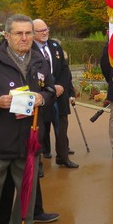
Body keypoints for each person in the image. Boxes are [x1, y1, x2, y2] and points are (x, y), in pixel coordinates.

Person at [0, 14, 56, 224]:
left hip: (29, 139)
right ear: (7, 36)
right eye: (19, 33)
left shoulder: (40, 60)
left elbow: (50, 88)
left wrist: (44, 97)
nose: (25, 38)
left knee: (26, 193)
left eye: (28, 33)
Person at [32, 19, 78, 169]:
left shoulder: (55, 46)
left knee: (61, 127)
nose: (45, 33)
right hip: (42, 95)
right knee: (40, 129)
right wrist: (50, 87)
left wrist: (61, 86)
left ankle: (63, 157)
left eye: (47, 29)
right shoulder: (29, 49)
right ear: (33, 33)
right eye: (41, 31)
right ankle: (37, 164)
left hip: (59, 95)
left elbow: (65, 69)